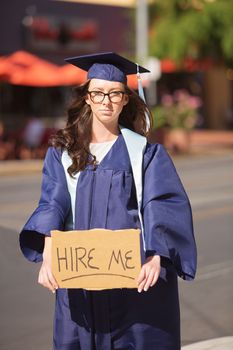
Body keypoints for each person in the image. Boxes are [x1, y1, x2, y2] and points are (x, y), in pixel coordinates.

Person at [19, 52, 197, 350]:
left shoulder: (145, 153)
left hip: (133, 280)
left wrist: (156, 255)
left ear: (125, 99)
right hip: (81, 280)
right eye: (98, 92)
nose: (106, 100)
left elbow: (161, 205)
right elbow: (52, 203)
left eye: (115, 93)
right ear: (86, 98)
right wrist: (49, 250)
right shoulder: (63, 152)